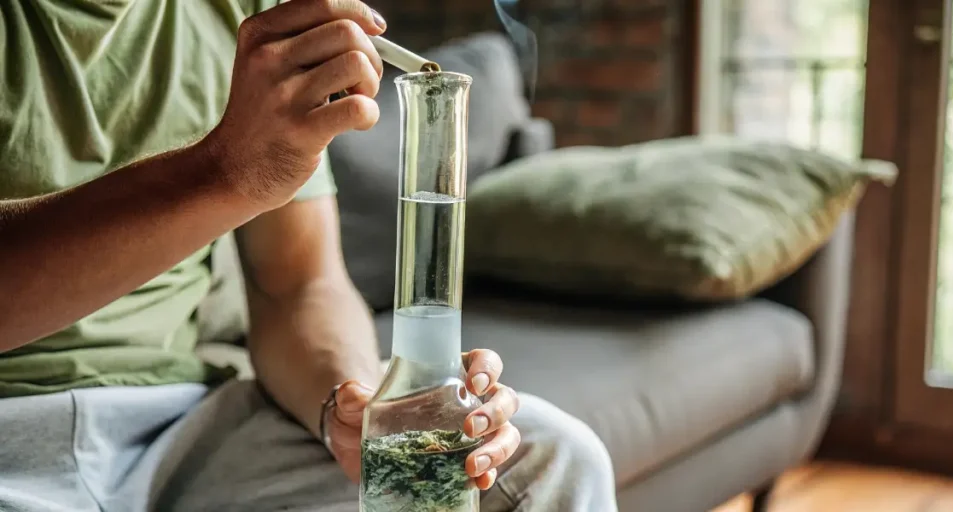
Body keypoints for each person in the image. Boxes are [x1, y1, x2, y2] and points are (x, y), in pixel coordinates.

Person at [0, 0, 619, 510]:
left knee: (552, 457)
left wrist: (350, 410)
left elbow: (297, 284)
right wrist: (226, 173)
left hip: (182, 428)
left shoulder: (248, 12)